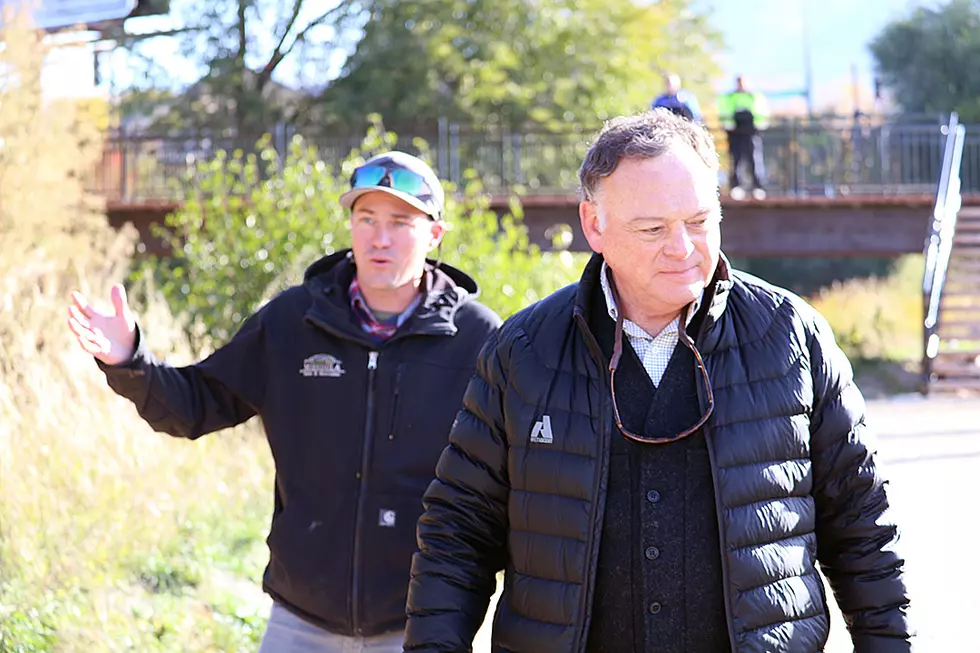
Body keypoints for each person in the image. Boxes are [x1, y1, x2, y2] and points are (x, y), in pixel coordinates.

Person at [403, 110, 913, 653]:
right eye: (652, 229)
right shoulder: (522, 351)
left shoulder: (793, 337)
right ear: (593, 224)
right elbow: (457, 534)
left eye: (699, 221)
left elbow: (863, 527)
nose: (683, 248)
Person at [67, 151, 502, 652]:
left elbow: (508, 478)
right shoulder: (293, 322)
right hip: (301, 623)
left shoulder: (478, 338)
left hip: (420, 626)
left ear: (434, 234)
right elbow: (196, 404)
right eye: (366, 219)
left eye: (400, 221)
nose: (379, 237)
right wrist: (130, 359)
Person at [717, 75, 770, 200]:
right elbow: (725, 113)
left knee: (755, 159)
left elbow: (762, 113)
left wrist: (757, 124)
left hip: (751, 132)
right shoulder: (730, 97)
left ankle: (758, 187)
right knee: (736, 159)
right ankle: (737, 186)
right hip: (735, 132)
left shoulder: (754, 96)